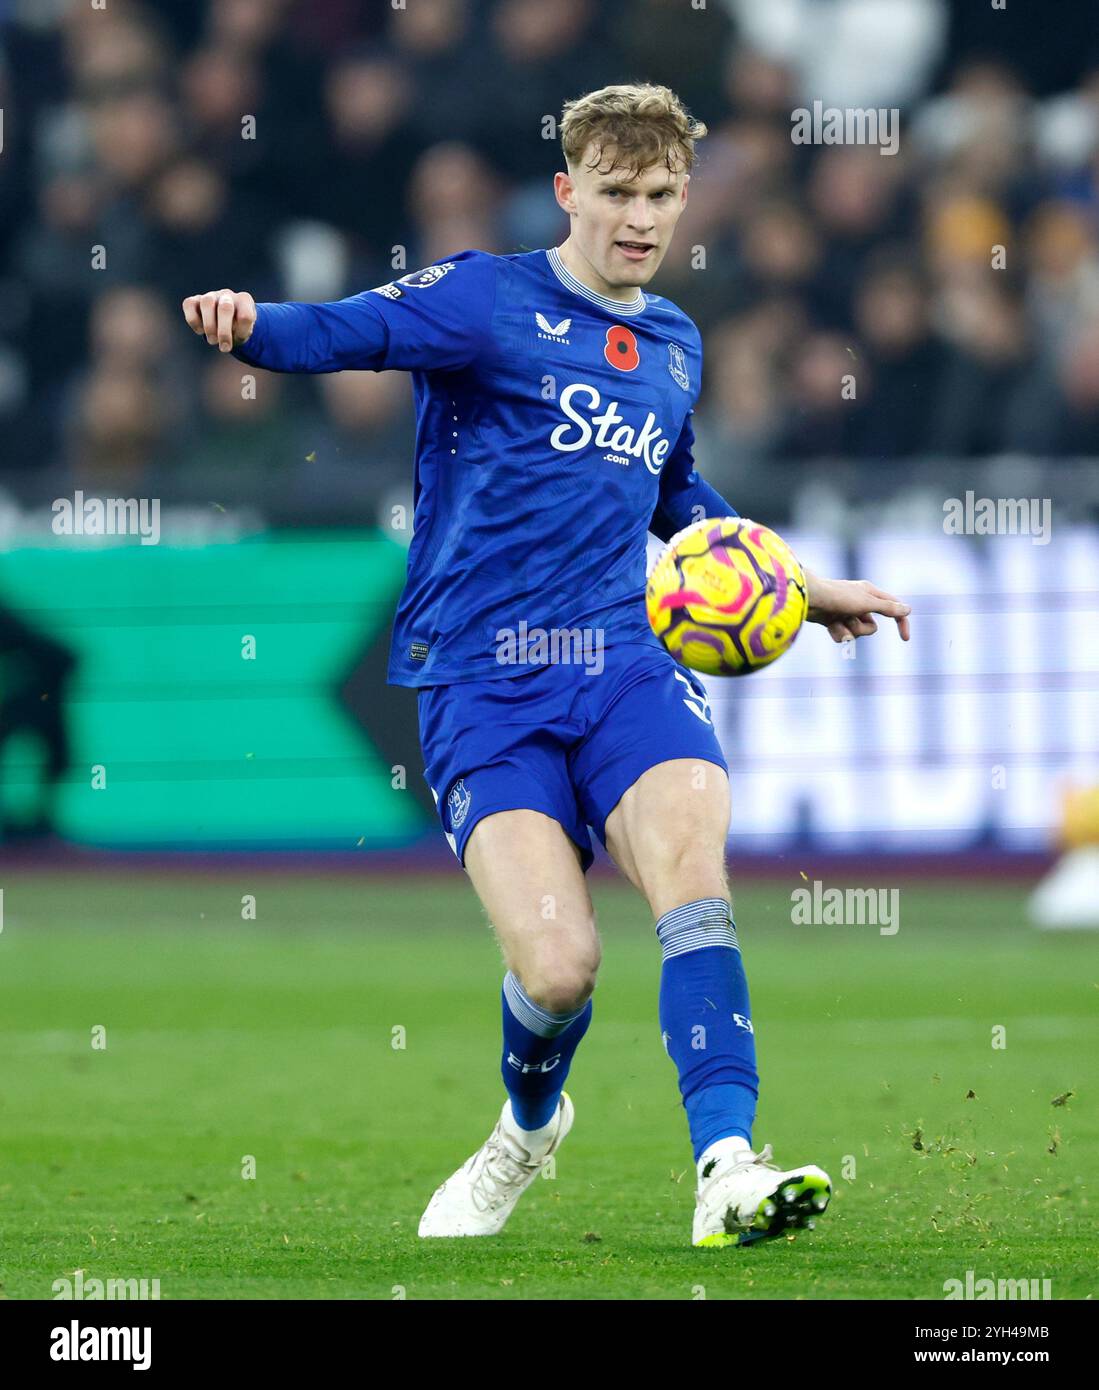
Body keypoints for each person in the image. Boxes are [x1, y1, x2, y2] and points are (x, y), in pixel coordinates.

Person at [182, 83, 911, 1248]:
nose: (640, 217)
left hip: (626, 660)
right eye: (616, 192)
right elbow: (350, 330)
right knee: (562, 966)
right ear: (567, 191)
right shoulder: (483, 299)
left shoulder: (672, 341)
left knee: (693, 880)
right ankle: (525, 1130)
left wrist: (804, 585)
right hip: (482, 679)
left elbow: (677, 497)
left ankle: (726, 1164)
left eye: (662, 194)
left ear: (684, 199)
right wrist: (249, 322)